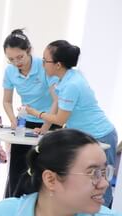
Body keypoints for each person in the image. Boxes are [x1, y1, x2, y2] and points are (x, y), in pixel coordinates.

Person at [24, 40, 118, 206]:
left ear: (58, 65)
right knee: (84, 180)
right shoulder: (67, 78)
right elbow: (58, 105)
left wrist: (35, 113)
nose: (43, 65)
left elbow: (61, 119)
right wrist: (44, 128)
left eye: (45, 61)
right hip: (85, 136)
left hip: (101, 136)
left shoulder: (72, 85)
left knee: (100, 183)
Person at [1, 29, 60, 198]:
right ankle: (12, 205)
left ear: (29, 50)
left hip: (49, 122)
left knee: (42, 170)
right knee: (17, 170)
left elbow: (56, 100)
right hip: (25, 124)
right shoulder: (10, 71)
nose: (16, 62)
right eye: (11, 59)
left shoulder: (44, 67)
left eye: (20, 57)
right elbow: (7, 101)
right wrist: (13, 120)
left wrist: (45, 126)